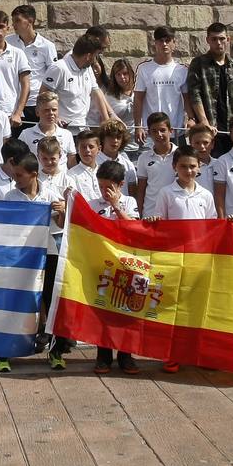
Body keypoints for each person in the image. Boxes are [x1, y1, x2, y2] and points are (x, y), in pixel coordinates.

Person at [148, 144, 218, 373]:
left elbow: (212, 226)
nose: (188, 171)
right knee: (174, 308)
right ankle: (173, 354)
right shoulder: (166, 193)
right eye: (183, 167)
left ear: (199, 168)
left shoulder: (205, 195)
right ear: (174, 167)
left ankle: (200, 352)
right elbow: (161, 225)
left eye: (192, 167)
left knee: (199, 307)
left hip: (200, 259)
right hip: (176, 259)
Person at [0, 151, 62, 370]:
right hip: (20, 257)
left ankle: (56, 351)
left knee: (51, 301)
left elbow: (62, 225)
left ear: (34, 174)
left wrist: (63, 211)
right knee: (16, 302)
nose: (15, 180)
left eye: (19, 175)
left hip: (48, 252)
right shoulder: (10, 197)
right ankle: (4, 352)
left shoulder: (51, 194)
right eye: (14, 175)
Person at [86, 160, 141, 375]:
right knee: (103, 310)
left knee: (127, 309)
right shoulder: (92, 204)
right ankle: (103, 355)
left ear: (119, 184)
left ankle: (126, 355)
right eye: (100, 186)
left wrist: (116, 206)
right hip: (102, 265)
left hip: (127, 264)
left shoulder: (129, 201)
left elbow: (134, 228)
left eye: (108, 187)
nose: (103, 191)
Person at [185, 23, 233, 154]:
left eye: (222, 39)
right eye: (214, 39)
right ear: (208, 40)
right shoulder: (199, 63)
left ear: (228, 39)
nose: (218, 43)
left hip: (232, 129)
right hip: (210, 128)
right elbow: (194, 94)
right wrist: (204, 122)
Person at [42, 32, 113, 134]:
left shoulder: (87, 68)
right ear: (88, 56)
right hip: (61, 131)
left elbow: (96, 93)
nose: (95, 60)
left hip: (83, 128)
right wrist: (55, 118)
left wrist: (107, 120)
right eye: (95, 56)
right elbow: (44, 95)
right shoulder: (59, 68)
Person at [133, 27, 189, 145]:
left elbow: (187, 99)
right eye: (160, 41)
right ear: (155, 43)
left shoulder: (182, 70)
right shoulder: (144, 69)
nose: (164, 44)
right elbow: (138, 99)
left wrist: (191, 119)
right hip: (151, 133)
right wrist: (138, 126)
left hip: (176, 131)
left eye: (168, 40)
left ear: (174, 43)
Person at [8, 5, 59, 123]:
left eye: (17, 21)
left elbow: (53, 74)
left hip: (35, 101)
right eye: (13, 21)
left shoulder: (47, 46)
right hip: (13, 101)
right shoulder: (8, 42)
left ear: (30, 21)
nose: (13, 25)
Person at [135, 112, 177, 218]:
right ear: (149, 133)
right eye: (154, 131)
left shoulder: (181, 154)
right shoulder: (143, 158)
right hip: (151, 214)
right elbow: (141, 190)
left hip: (176, 213)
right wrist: (139, 214)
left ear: (170, 131)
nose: (159, 135)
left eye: (162, 130)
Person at [21, 90, 73, 171]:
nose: (51, 113)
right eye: (46, 110)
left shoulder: (67, 134)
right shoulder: (26, 134)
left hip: (62, 182)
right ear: (37, 112)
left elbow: (72, 164)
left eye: (54, 109)